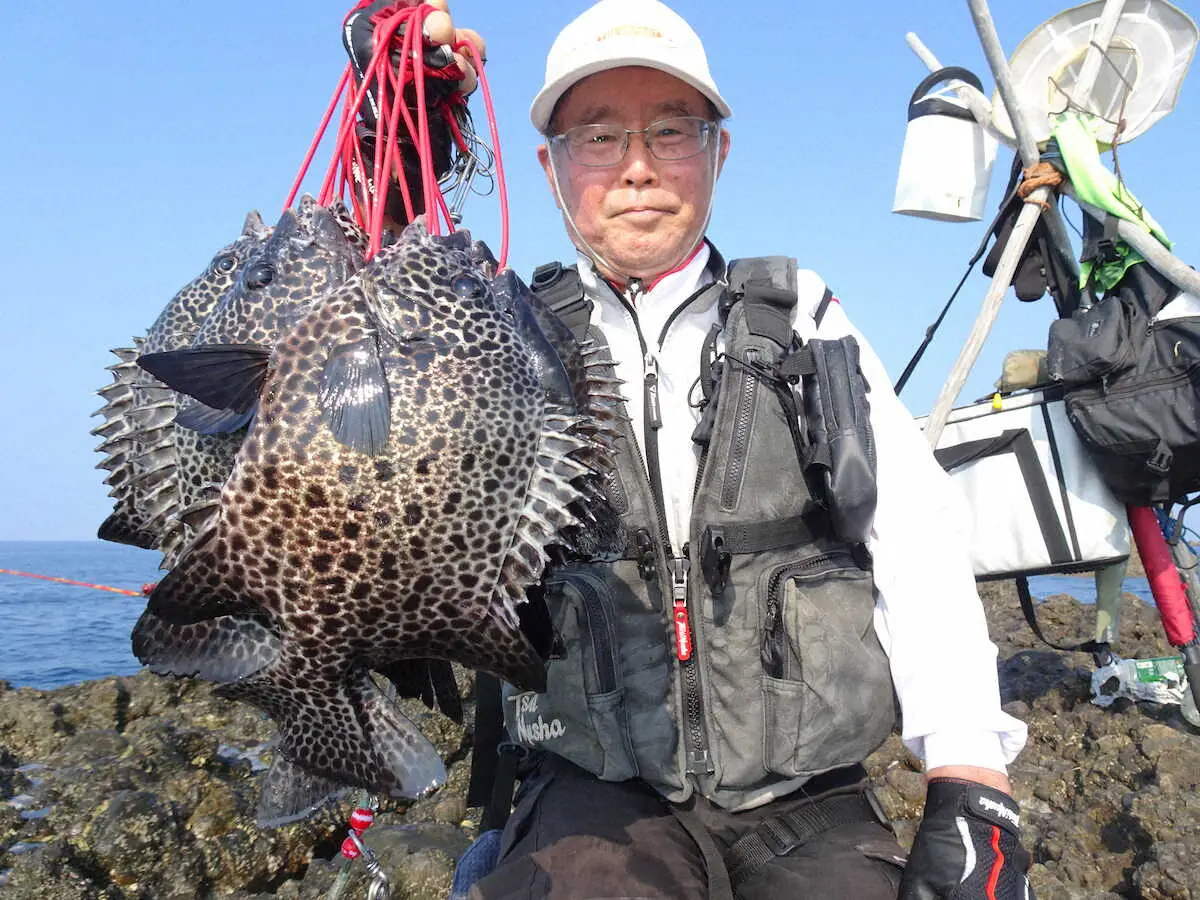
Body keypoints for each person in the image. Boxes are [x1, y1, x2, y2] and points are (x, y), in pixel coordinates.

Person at [395, 1, 1037, 896]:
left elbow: (917, 534)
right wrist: (405, 118)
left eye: (671, 131)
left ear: (718, 152)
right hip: (595, 790)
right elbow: (376, 337)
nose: (638, 168)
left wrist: (971, 777)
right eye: (599, 136)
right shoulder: (504, 333)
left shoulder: (803, 318)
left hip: (807, 798)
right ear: (549, 167)